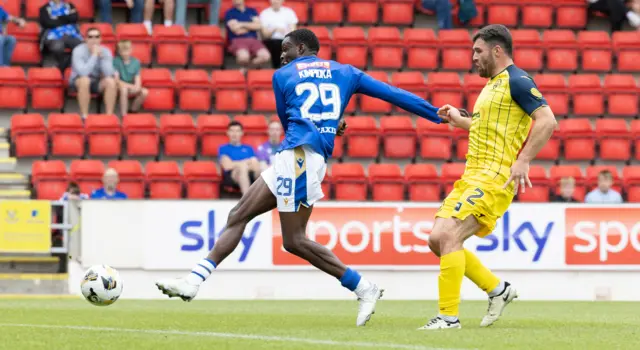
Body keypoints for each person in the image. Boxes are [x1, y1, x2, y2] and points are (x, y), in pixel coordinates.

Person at [156, 28, 444, 327]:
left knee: (293, 240)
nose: (282, 54)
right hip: (298, 157)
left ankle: (363, 287)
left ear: (302, 47)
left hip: (298, 156)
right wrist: (436, 113)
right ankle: (194, 280)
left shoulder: (281, 76)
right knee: (239, 214)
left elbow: (288, 119)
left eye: (286, 48)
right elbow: (393, 93)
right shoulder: (346, 72)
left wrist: (322, 125)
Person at [423, 24, 557, 330]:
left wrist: (524, 160)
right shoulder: (491, 86)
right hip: (472, 174)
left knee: (449, 236)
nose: (473, 57)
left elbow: (547, 121)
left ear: (497, 51)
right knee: (436, 240)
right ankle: (498, 290)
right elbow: (487, 129)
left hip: (495, 176)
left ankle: (448, 318)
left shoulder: (518, 80)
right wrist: (460, 121)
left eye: (478, 51)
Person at [69, 27, 116, 119]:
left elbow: (108, 73)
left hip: (96, 81)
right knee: (85, 80)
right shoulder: (78, 50)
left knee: (110, 81)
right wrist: (94, 55)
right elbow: (83, 72)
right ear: (85, 39)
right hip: (77, 81)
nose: (94, 40)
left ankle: (109, 116)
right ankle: (84, 117)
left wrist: (103, 58)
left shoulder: (106, 51)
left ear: (100, 39)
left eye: (97, 37)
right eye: (90, 37)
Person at [218, 121, 261, 195]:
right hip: (232, 176)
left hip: (250, 174)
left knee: (262, 167)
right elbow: (227, 166)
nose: (234, 134)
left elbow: (255, 165)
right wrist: (245, 162)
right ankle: (247, 200)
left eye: (237, 131)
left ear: (242, 133)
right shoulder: (223, 148)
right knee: (242, 168)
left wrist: (235, 163)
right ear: (228, 133)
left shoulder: (249, 148)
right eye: (232, 131)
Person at [225, 0, 270, 69]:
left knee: (265, 56)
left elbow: (258, 26)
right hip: (238, 40)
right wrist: (251, 26)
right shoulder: (230, 12)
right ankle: (249, 70)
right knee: (243, 57)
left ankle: (246, 69)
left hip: (254, 40)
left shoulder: (252, 11)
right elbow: (235, 29)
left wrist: (241, 24)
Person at [39, 0, 82, 71]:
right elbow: (48, 23)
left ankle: (67, 65)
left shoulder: (70, 6)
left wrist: (56, 18)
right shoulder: (45, 8)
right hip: (53, 36)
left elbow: (74, 18)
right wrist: (67, 18)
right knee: (57, 47)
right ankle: (63, 67)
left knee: (81, 46)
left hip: (71, 34)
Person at [114, 40, 148, 116]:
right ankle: (124, 115)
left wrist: (137, 86)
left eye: (127, 50)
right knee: (124, 89)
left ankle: (133, 111)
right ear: (119, 52)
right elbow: (117, 80)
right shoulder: (116, 61)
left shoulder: (136, 62)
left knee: (145, 92)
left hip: (131, 86)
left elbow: (137, 77)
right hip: (120, 86)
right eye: (122, 51)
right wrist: (131, 86)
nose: (125, 53)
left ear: (131, 50)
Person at [260, 0, 297, 69]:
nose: (276, 1)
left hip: (286, 39)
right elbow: (265, 35)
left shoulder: (289, 12)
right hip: (270, 40)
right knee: (276, 44)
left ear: (283, 1)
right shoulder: (264, 13)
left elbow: (293, 31)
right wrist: (274, 29)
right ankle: (276, 68)